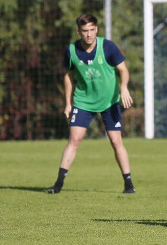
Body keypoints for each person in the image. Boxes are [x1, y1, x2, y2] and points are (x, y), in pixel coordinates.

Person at [47, 14, 135, 194]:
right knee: (74, 140)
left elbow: (124, 70)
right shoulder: (71, 50)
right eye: (85, 31)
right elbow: (68, 77)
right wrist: (67, 103)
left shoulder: (108, 47)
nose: (89, 34)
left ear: (97, 29)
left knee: (116, 141)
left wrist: (124, 87)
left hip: (109, 101)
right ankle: (58, 185)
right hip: (83, 101)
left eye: (92, 30)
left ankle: (128, 184)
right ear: (78, 31)